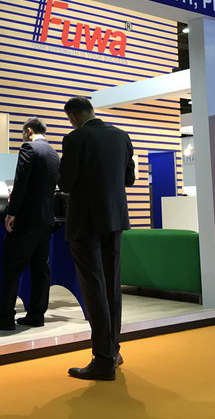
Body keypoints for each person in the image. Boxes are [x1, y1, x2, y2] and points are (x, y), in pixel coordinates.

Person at [58, 96, 135, 381]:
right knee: (112, 285)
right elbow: (129, 179)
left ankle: (102, 359)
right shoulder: (121, 136)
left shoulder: (75, 138)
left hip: (85, 222)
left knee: (93, 287)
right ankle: (113, 351)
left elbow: (65, 183)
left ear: (73, 116)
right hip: (115, 219)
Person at [0, 117, 60, 332]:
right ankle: (36, 315)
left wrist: (12, 212)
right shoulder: (53, 152)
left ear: (28, 130)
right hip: (46, 218)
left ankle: (5, 317)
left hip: (27, 218)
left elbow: (21, 182)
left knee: (12, 267)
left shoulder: (29, 148)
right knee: (40, 268)